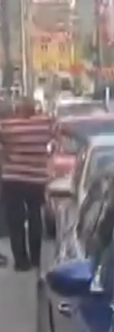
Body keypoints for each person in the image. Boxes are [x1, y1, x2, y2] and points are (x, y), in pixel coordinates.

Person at [0, 98, 52, 271]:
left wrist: (6, 155)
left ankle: (21, 261)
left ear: (19, 110)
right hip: (35, 179)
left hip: (12, 178)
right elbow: (60, 130)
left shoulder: (9, 127)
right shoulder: (44, 124)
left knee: (15, 220)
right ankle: (36, 258)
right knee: (35, 216)